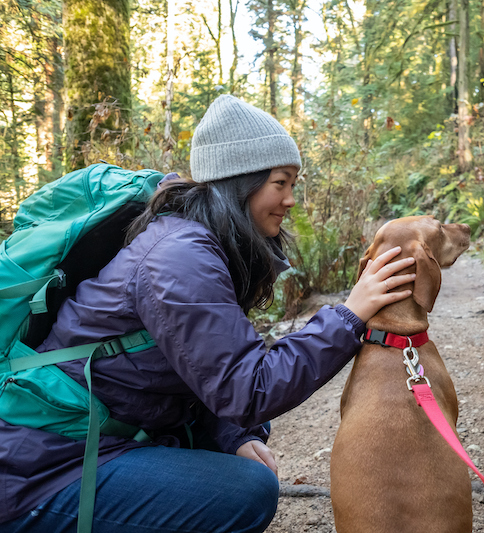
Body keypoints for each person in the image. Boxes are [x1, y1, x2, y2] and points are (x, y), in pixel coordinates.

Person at [0, 95, 416, 533]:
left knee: (246, 430)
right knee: (246, 492)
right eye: (281, 182)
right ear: (242, 181)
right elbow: (249, 388)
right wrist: (350, 315)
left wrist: (234, 437)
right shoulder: (179, 257)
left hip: (102, 437)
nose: (290, 199)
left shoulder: (197, 242)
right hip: (44, 470)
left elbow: (215, 372)